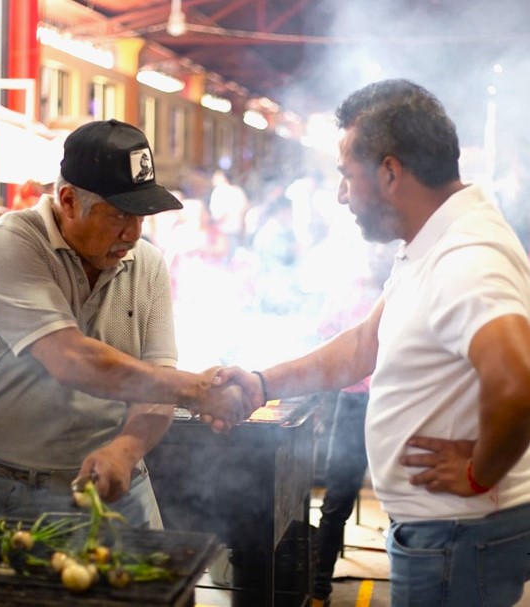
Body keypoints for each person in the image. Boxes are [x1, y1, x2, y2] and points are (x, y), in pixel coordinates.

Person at [218, 79, 530, 606]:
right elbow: (365, 344)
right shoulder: (433, 241)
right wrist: (261, 383)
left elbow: (518, 383)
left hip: (457, 536)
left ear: (390, 172)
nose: (342, 194)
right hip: (444, 534)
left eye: (346, 174)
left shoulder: (466, 258)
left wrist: (481, 473)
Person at [0, 119, 250, 528]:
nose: (133, 233)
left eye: (141, 215)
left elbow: (156, 381)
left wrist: (125, 450)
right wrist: (197, 389)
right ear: (68, 201)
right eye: (119, 215)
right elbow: (72, 359)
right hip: (9, 490)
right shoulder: (9, 244)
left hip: (117, 480)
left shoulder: (147, 264)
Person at [311, 242, 395, 607]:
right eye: (374, 251)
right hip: (353, 403)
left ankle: (408, 584)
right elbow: (326, 337)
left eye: (385, 251)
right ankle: (319, 587)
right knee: (337, 500)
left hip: (395, 403)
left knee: (401, 499)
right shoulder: (349, 289)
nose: (379, 256)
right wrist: (320, 398)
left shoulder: (409, 285)